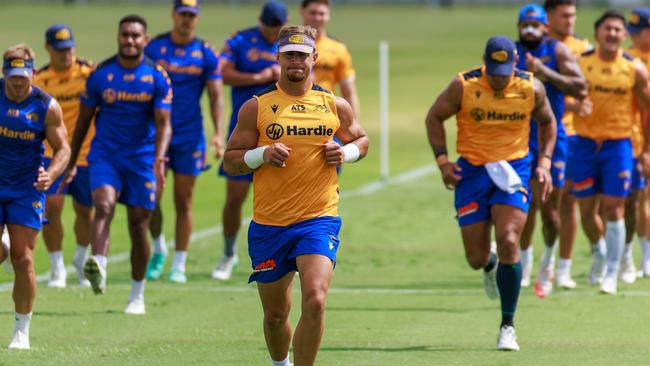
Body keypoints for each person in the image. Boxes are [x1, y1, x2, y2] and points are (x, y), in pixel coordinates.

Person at [224, 25, 368, 366]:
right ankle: (279, 362)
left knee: (315, 300)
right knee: (276, 315)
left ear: (314, 58)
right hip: (270, 224)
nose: (296, 62)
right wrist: (261, 155)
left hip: (318, 219)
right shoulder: (256, 107)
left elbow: (361, 140)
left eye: (302, 55)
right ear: (278, 58)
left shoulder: (334, 105)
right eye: (289, 55)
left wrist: (344, 154)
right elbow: (231, 161)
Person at [425, 36, 557, 351]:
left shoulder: (531, 87)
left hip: (514, 171)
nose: (499, 78)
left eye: (505, 71)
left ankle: (507, 325)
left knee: (511, 238)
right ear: (485, 63)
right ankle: (489, 263)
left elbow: (549, 123)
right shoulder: (464, 85)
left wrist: (546, 162)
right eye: (494, 71)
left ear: (516, 63)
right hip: (472, 173)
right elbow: (434, 117)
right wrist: (443, 161)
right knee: (475, 257)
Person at [62, 15, 172, 314]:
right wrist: (71, 162)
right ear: (118, 37)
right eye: (125, 35)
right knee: (104, 204)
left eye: (136, 36)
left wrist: (160, 160)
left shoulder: (157, 76)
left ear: (145, 40)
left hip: (141, 159)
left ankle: (137, 296)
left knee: (139, 224)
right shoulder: (100, 75)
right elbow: (83, 122)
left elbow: (164, 125)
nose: (130, 40)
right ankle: (99, 263)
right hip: (105, 155)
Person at [144, 0, 224, 283]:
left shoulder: (205, 53)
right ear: (173, 15)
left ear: (197, 18)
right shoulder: (153, 48)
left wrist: (218, 133)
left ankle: (179, 263)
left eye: (192, 15)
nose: (187, 20)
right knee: (150, 197)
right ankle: (158, 248)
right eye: (183, 14)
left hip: (190, 137)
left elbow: (216, 96)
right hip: (154, 136)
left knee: (183, 200)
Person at [572, 10, 650, 294]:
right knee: (586, 209)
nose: (613, 34)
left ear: (624, 35)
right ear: (597, 33)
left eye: (618, 30)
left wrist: (646, 151)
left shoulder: (634, 69)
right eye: (608, 29)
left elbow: (646, 109)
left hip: (619, 145)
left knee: (615, 207)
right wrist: (574, 107)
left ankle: (612, 272)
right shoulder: (580, 64)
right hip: (583, 144)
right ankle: (600, 252)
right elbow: (563, 98)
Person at [0, 43, 70, 349]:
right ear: (5, 74)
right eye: (13, 77)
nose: (18, 83)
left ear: (32, 74)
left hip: (26, 187)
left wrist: (51, 173)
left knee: (23, 257)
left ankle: (21, 330)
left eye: (23, 77)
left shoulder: (46, 106)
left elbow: (63, 149)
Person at [514, 3, 587, 297]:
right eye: (525, 24)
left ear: (545, 26)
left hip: (552, 139)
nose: (530, 30)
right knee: (524, 203)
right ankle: (524, 261)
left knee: (549, 208)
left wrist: (544, 71)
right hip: (518, 138)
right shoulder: (512, 52)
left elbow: (580, 88)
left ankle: (549, 257)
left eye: (535, 25)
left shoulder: (557, 51)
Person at [213, 0, 288, 281]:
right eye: (268, 28)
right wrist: (258, 75)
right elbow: (223, 72)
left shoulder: (289, 45)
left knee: (282, 197)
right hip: (244, 132)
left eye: (276, 28)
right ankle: (228, 253)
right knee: (234, 197)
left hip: (280, 133)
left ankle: (281, 256)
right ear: (260, 21)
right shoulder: (240, 40)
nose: (271, 34)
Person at [34, 24, 95, 288]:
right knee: (52, 207)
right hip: (52, 153)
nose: (66, 55)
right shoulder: (39, 80)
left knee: (86, 209)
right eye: (59, 50)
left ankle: (81, 260)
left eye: (69, 49)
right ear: (48, 49)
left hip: (86, 153)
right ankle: (57, 265)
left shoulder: (88, 73)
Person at [544, 0, 593, 289]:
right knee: (540, 201)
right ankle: (534, 263)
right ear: (549, 17)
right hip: (538, 133)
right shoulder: (539, 48)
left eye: (573, 15)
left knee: (568, 202)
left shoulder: (583, 49)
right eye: (565, 15)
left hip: (571, 134)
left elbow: (586, 92)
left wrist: (573, 109)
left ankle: (563, 267)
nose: (570, 20)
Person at [300, 0, 359, 116]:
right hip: (293, 113)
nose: (317, 18)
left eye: (321, 14)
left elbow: (349, 93)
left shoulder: (338, 48)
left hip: (326, 115)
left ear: (329, 15)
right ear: (302, 12)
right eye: (312, 13)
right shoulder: (289, 46)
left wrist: (354, 125)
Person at [626, 8, 650, 280]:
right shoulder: (629, 59)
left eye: (640, 31)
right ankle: (643, 254)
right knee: (639, 198)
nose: (636, 36)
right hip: (637, 135)